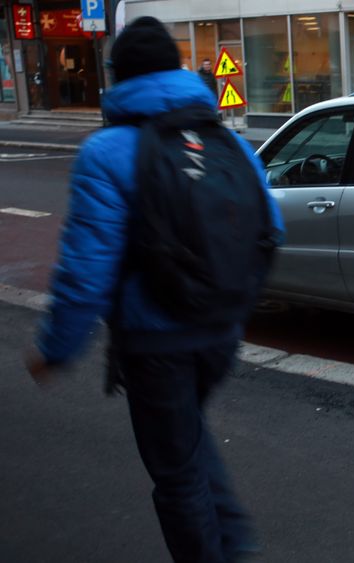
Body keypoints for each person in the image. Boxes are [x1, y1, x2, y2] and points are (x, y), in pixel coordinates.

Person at [24, 16, 284, 563]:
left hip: (155, 341)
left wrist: (55, 350)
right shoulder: (226, 142)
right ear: (178, 69)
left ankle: (226, 552)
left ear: (119, 77)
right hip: (221, 332)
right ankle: (237, 543)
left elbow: (85, 270)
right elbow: (271, 230)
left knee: (177, 475)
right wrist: (232, 303)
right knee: (187, 439)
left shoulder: (107, 151)